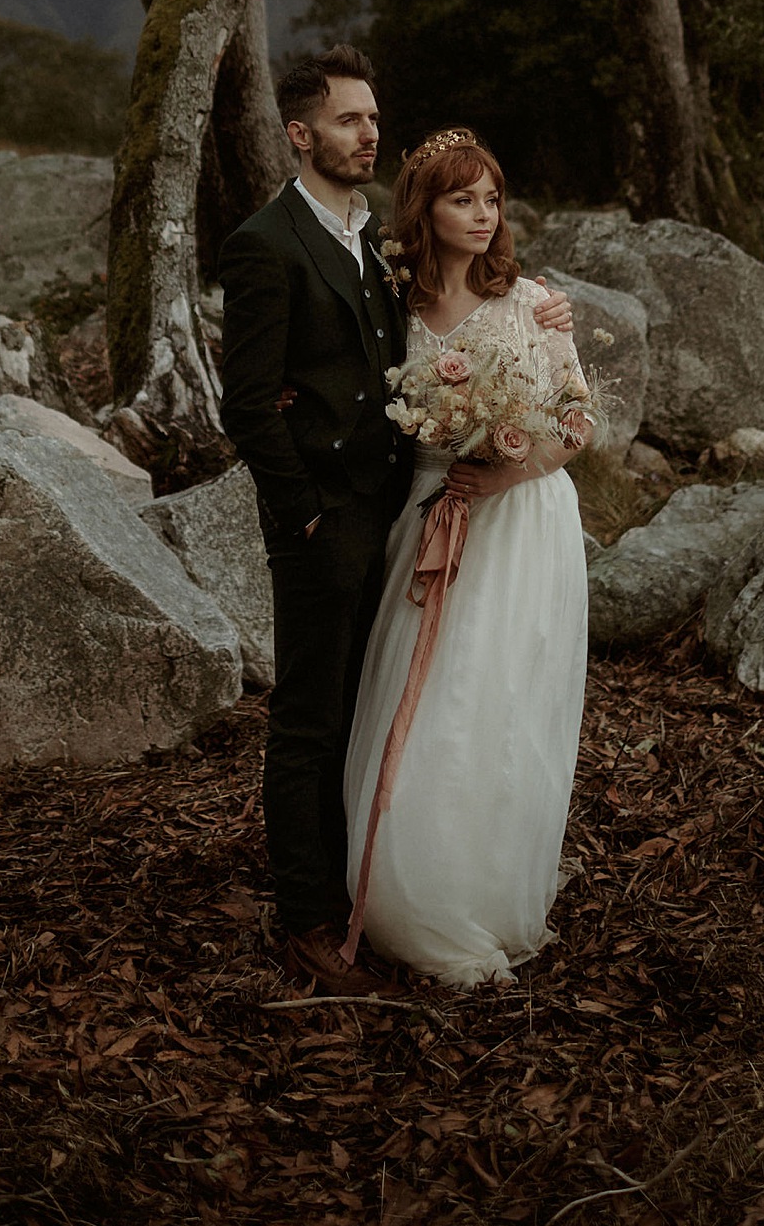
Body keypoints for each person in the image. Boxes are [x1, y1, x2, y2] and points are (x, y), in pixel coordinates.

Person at [219, 51, 573, 996]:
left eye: (374, 117)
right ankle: (305, 918)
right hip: (323, 519)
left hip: (395, 510)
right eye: (347, 120)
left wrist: (540, 323)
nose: (368, 132)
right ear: (301, 133)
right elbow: (248, 404)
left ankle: (358, 883)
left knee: (369, 712)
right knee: (308, 716)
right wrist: (298, 515)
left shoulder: (378, 245)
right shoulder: (267, 241)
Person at [342, 130, 592, 986]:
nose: (483, 215)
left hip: (520, 522)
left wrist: (506, 465)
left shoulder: (531, 303)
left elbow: (577, 420)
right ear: (426, 209)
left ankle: (486, 884)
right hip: (428, 513)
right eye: (462, 200)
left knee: (499, 697)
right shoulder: (390, 304)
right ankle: (411, 888)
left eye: (491, 198)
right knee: (429, 695)